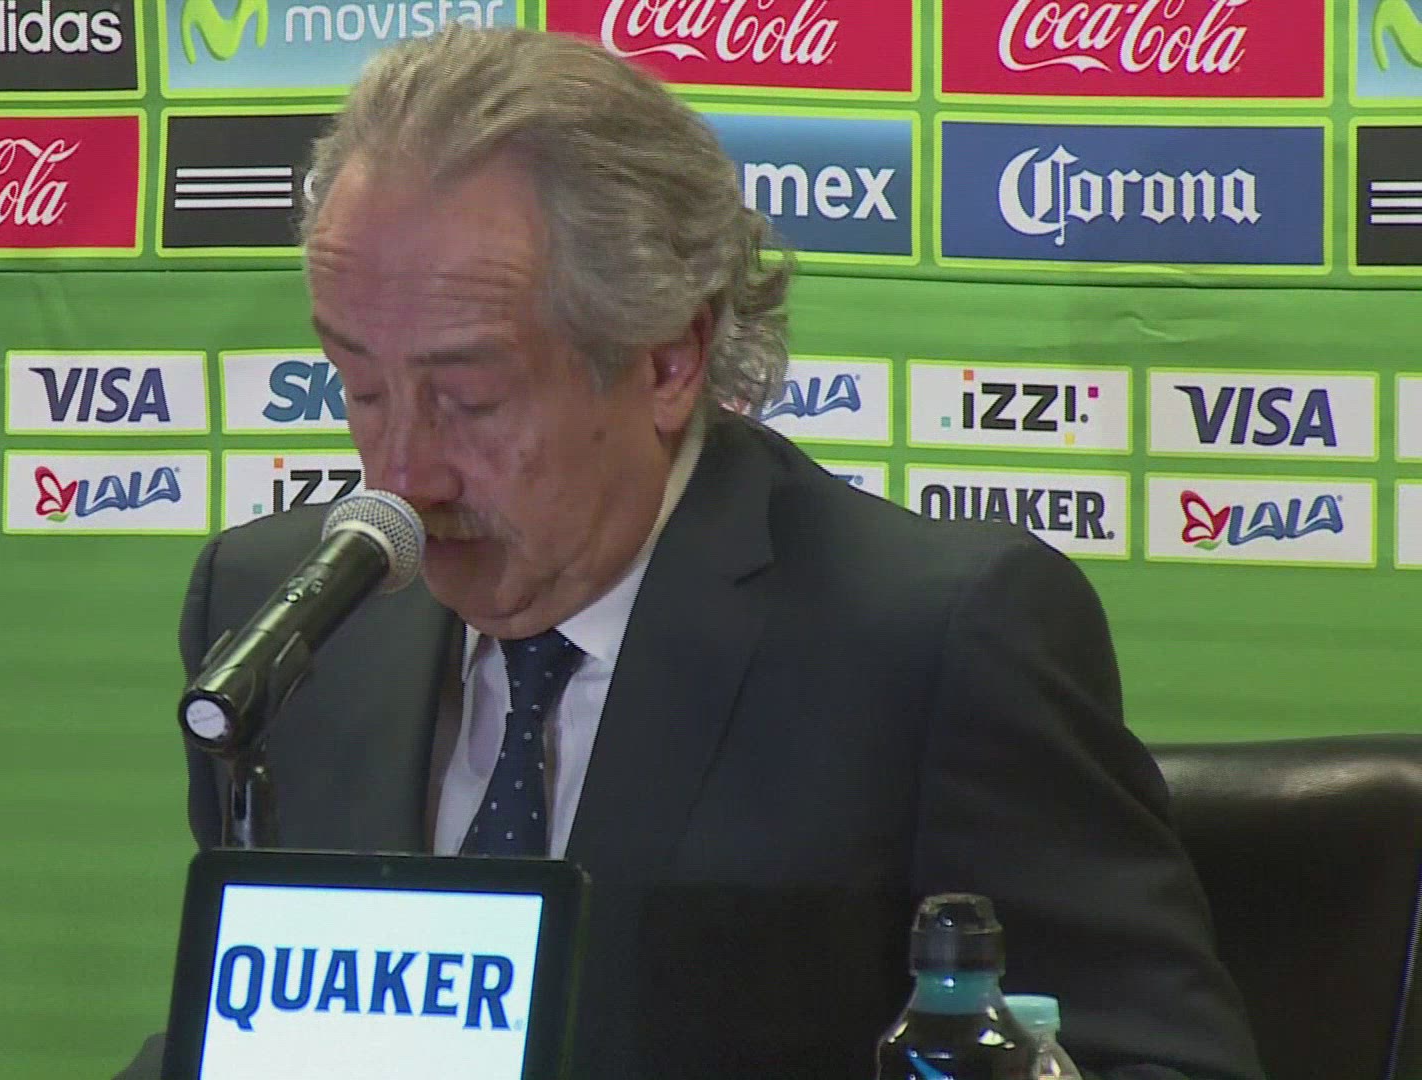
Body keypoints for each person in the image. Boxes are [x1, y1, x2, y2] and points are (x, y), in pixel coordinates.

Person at [117, 25, 1264, 1080]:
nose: (402, 471)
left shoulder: (932, 643)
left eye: (468, 399)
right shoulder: (283, 624)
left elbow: (1157, 1063)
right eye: (360, 386)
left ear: (669, 360)